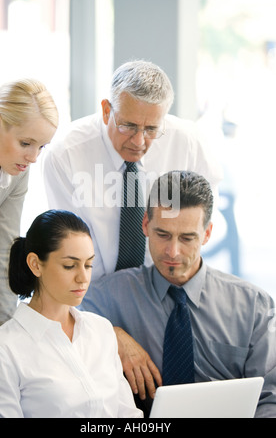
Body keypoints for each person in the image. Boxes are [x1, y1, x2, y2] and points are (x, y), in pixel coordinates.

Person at [81, 171, 276, 418]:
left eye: (187, 238)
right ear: (145, 225)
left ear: (207, 234)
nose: (172, 251)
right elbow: (56, 324)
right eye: (162, 234)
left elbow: (271, 398)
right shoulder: (108, 296)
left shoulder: (254, 307)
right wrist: (110, 334)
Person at [43, 60, 223, 281]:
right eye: (128, 126)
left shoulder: (188, 144)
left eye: (151, 129)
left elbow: (205, 213)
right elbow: (69, 242)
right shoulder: (65, 154)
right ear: (107, 111)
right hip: (93, 291)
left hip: (171, 284)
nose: (139, 141)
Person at [0, 210, 142, 418]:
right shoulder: (0, 351)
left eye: (88, 264)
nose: (83, 277)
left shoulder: (101, 330)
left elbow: (129, 415)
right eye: (70, 266)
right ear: (35, 264)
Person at [0, 79, 58, 329]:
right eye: (25, 143)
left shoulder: (16, 174)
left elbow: (3, 251)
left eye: (41, 147)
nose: (33, 158)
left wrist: (3, 330)